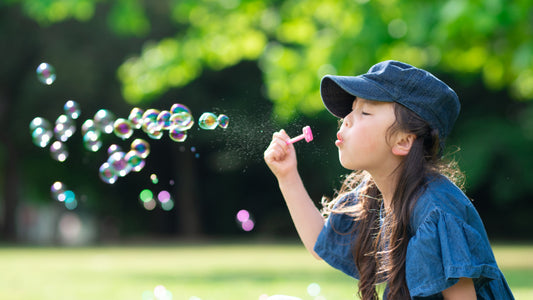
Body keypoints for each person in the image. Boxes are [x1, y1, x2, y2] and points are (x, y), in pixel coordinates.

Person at [264, 60, 514, 299]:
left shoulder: (436, 211)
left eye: (365, 112)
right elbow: (322, 242)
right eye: (351, 110)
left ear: (403, 141)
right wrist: (287, 175)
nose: (347, 119)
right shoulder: (377, 195)